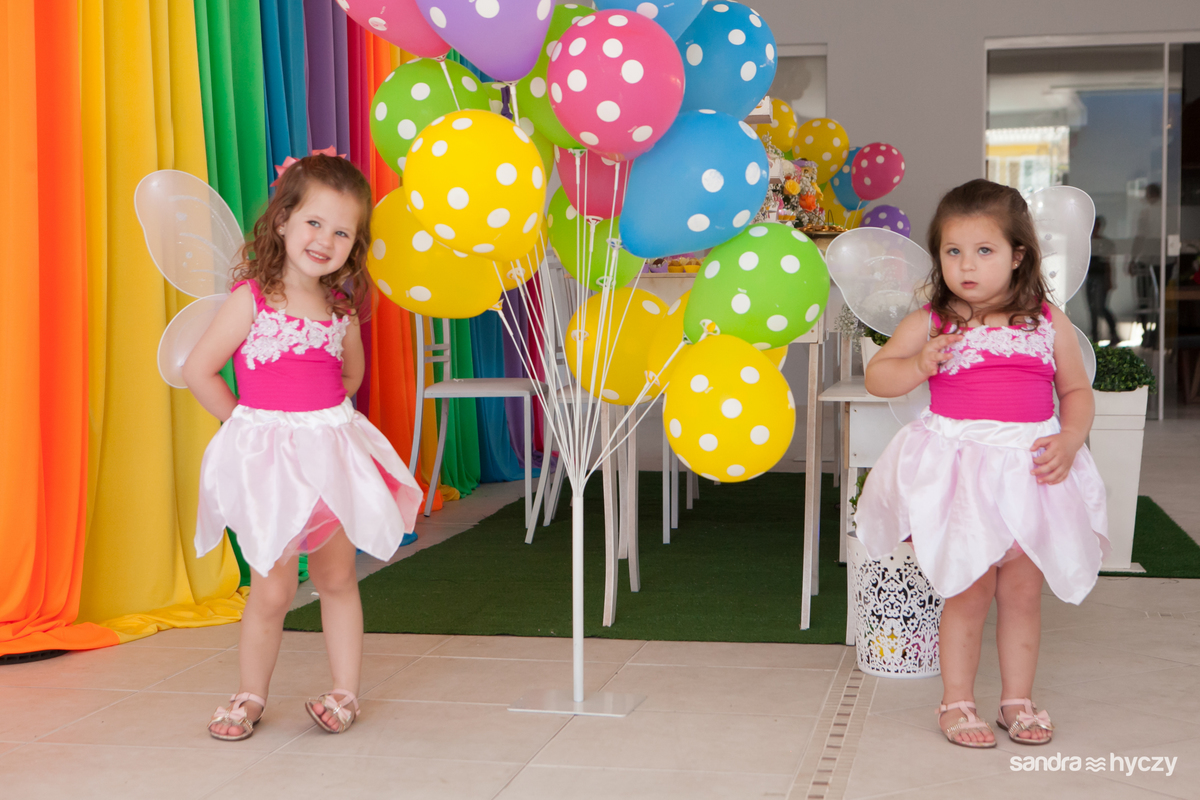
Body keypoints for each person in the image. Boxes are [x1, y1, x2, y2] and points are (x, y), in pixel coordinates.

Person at [856, 179, 1108, 749]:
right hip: (963, 477)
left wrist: (1071, 438)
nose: (966, 265)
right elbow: (879, 377)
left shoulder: (1046, 321)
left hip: (1030, 473)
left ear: (1018, 255)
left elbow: (1076, 390)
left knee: (1021, 594)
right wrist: (918, 365)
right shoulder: (932, 322)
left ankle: (1017, 699)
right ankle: (957, 701)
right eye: (953, 251)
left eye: (984, 250)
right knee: (967, 590)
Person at [183, 154, 424, 741]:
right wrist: (246, 424)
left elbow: (349, 376)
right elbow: (199, 369)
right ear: (283, 220)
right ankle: (250, 695)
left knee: (338, 578)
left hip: (330, 458)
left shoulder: (340, 310)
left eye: (342, 233)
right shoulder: (251, 299)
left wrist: (322, 420)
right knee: (273, 586)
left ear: (354, 246)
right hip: (271, 464)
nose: (325, 240)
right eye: (314, 223)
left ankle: (345, 693)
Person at [1130, 183, 1162, 340]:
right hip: (1164, 260)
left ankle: (1147, 334)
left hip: (1146, 259)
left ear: (1149, 194)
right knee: (1159, 299)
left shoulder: (1146, 212)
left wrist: (1132, 259)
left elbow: (1140, 236)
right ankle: (1156, 335)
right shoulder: (1168, 211)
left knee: (1143, 298)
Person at [1086, 216, 1119, 345]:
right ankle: (1095, 336)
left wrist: (1109, 280)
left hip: (1101, 277)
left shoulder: (1105, 243)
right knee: (1092, 308)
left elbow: (1108, 263)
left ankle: (1113, 333)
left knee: (1100, 307)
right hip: (1090, 277)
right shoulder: (1087, 242)